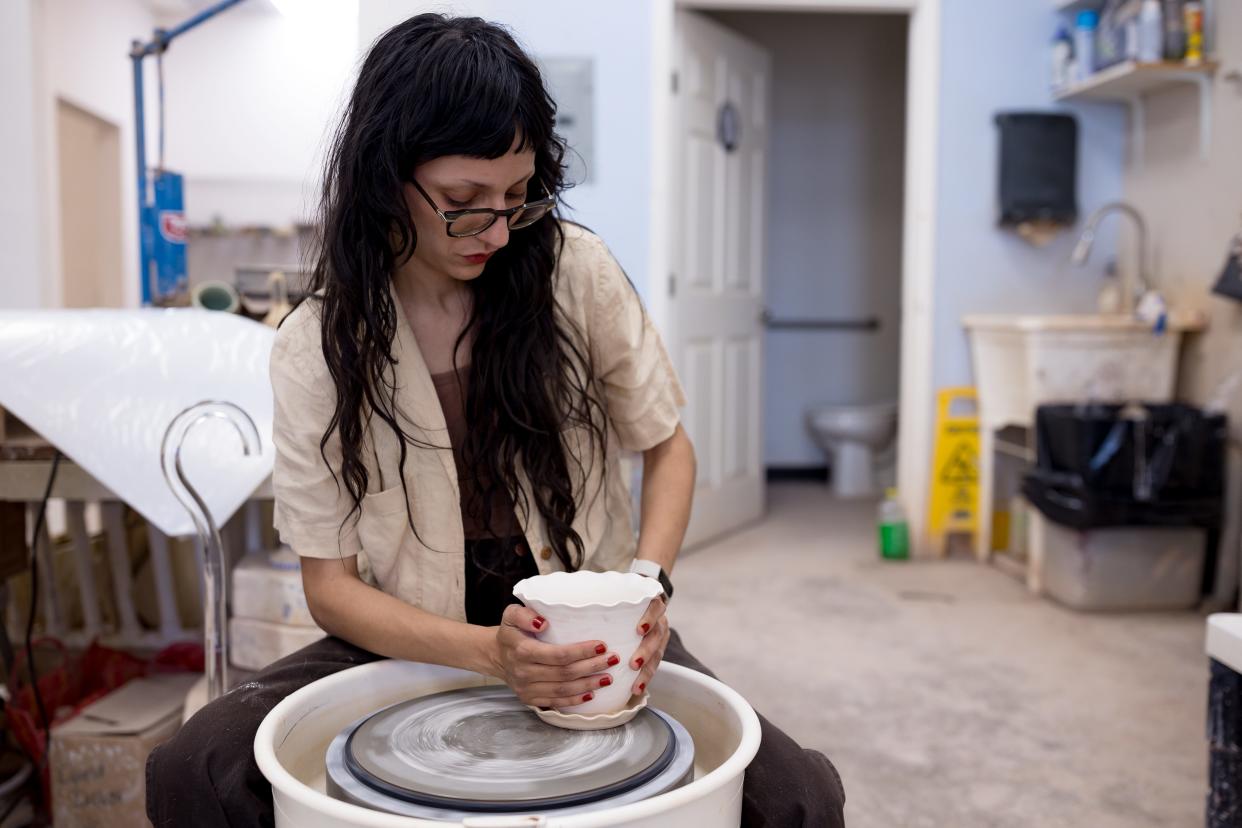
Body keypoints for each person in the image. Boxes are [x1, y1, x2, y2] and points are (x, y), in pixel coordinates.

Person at [146, 13, 845, 827]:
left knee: (799, 795)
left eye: (517, 197)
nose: (499, 230)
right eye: (462, 202)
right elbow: (330, 589)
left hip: (590, 630)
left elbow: (668, 447)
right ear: (385, 177)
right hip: (413, 633)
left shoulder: (573, 273)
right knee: (192, 769)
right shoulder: (317, 345)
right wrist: (491, 655)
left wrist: (645, 594)